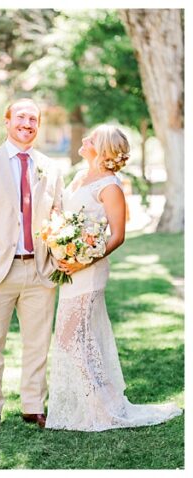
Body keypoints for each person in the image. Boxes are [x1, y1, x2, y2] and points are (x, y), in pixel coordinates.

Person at [45, 124, 183, 431]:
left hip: (89, 271)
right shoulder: (81, 176)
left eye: (90, 138)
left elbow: (117, 235)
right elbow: (68, 216)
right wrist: (59, 239)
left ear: (102, 148)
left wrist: (82, 261)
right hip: (71, 268)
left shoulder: (110, 187)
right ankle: (102, 402)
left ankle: (103, 407)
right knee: (78, 338)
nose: (83, 139)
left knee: (72, 338)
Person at [0, 98, 64, 433]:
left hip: (39, 269)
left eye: (33, 119)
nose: (27, 123)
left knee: (38, 344)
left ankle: (33, 406)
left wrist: (59, 257)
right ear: (7, 122)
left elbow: (59, 216)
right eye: (21, 117)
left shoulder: (50, 167)